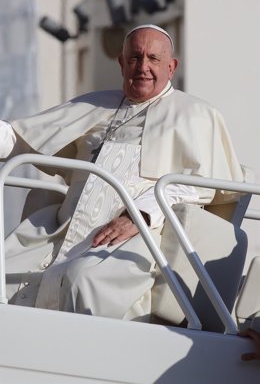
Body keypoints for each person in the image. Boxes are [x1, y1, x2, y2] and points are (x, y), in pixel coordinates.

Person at [1, 24, 245, 321]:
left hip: (141, 236)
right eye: (134, 58)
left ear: (171, 66)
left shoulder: (196, 114)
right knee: (7, 269)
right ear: (121, 62)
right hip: (64, 229)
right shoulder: (94, 104)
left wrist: (139, 215)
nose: (143, 67)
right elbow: (20, 137)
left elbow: (198, 187)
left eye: (153, 59)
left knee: (82, 281)